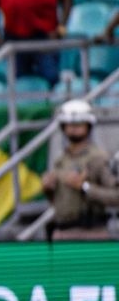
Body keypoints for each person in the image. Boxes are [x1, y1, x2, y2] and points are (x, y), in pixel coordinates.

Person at [40, 100, 119, 239]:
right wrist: (48, 189)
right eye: (69, 124)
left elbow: (116, 196)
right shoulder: (61, 161)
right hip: (62, 232)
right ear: (63, 127)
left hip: (92, 232)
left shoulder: (99, 158)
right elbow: (58, 202)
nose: (73, 128)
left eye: (78, 124)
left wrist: (84, 187)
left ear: (88, 126)